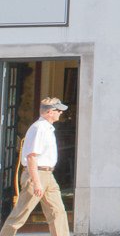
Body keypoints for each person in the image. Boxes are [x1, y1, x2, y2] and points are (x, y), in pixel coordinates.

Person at [0, 98, 71, 236]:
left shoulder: (47, 128)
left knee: (57, 212)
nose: (61, 113)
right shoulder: (39, 128)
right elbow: (31, 157)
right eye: (58, 110)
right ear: (49, 112)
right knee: (21, 213)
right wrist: (37, 182)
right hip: (36, 174)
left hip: (48, 175)